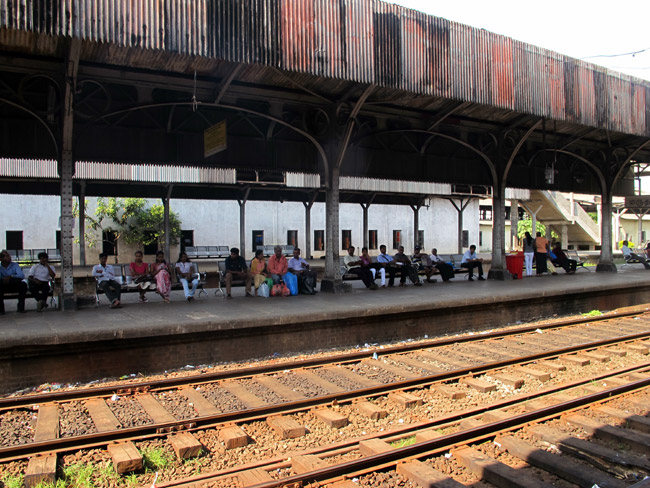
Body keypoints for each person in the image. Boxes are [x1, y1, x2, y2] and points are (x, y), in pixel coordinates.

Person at [0, 249, 27, 314]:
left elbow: (21, 275)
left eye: (9, 255)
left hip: (14, 284)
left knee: (23, 285)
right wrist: (4, 279)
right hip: (3, 285)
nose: (10, 257)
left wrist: (11, 276)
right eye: (7, 256)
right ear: (1, 259)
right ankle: (1, 310)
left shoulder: (15, 265)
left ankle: (21, 308)